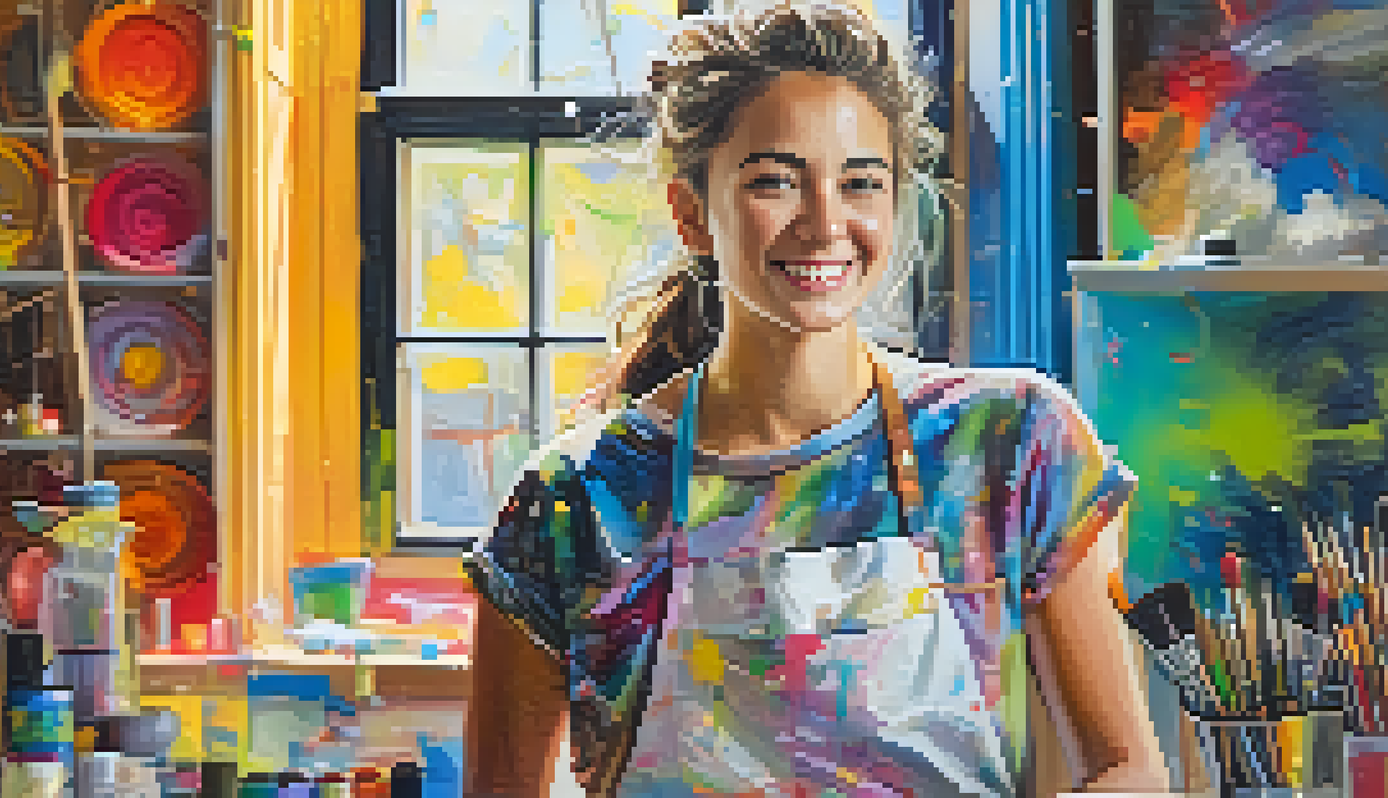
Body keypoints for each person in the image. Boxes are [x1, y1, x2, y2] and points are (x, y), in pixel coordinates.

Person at [464, 3, 1169, 795]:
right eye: (775, 181)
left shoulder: (1009, 442)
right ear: (692, 215)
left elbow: (1129, 771)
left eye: (860, 182)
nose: (826, 223)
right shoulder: (574, 501)